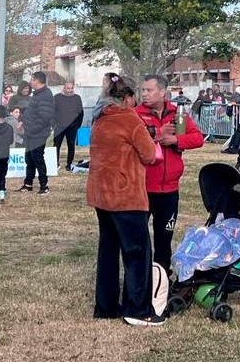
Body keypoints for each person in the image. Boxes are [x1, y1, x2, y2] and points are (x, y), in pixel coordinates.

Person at [86, 75, 163, 326]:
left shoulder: (99, 117)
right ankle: (138, 310)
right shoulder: (129, 118)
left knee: (108, 251)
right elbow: (150, 154)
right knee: (138, 253)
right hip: (126, 194)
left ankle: (106, 307)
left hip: (101, 193)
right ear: (128, 98)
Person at [135, 74, 204, 270]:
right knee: (139, 238)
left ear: (162, 92)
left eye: (149, 90)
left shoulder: (177, 114)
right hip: (143, 187)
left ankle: (162, 277)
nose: (145, 94)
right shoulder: (136, 114)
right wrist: (158, 136)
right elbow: (133, 145)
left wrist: (176, 141)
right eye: (143, 90)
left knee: (164, 238)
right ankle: (142, 278)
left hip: (170, 189)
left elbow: (198, 138)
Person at [20, 71, 55, 194]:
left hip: (38, 134)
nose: (30, 82)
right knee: (29, 159)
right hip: (31, 133)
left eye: (31, 80)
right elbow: (32, 113)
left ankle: (44, 186)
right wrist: (23, 121)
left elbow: (44, 117)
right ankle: (28, 184)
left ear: (37, 81)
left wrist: (32, 129)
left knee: (38, 158)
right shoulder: (37, 95)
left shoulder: (45, 95)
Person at [54, 81, 85, 172]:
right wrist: (53, 124)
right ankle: (55, 164)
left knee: (71, 146)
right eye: (68, 88)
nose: (70, 90)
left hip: (72, 127)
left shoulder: (77, 98)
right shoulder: (57, 97)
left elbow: (80, 113)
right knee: (56, 145)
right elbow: (52, 111)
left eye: (72, 88)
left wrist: (77, 125)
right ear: (64, 88)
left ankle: (69, 164)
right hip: (59, 126)